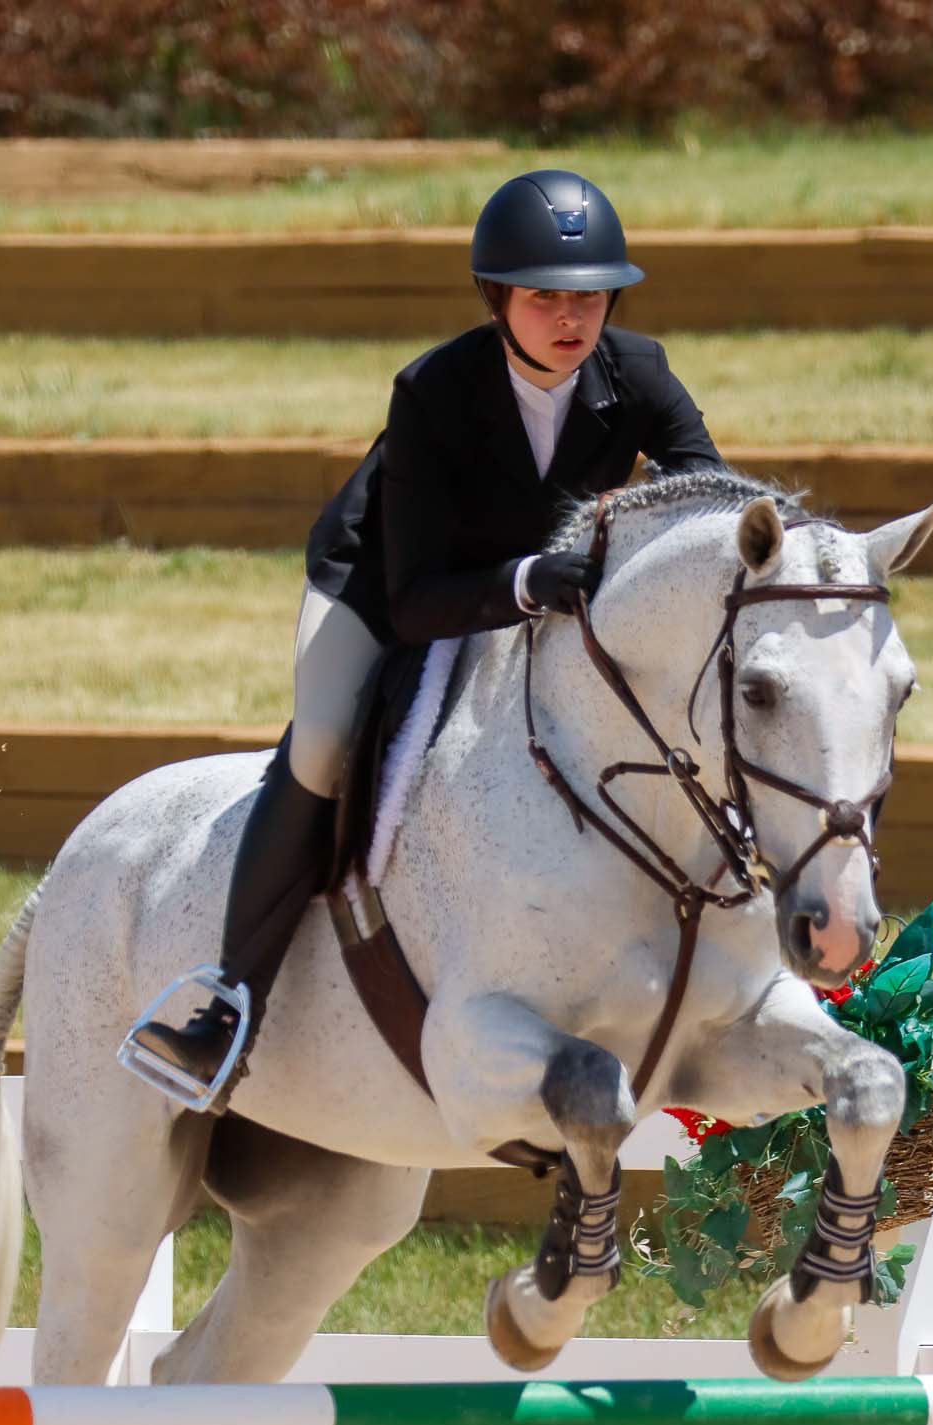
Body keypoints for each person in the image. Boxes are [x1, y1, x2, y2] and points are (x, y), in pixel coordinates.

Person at [124, 169, 722, 1112]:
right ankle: (227, 1006)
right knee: (323, 739)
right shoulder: (434, 391)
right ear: (496, 299)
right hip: (392, 584)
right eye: (544, 298)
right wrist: (530, 581)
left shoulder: (637, 372)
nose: (572, 318)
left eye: (590, 296)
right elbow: (412, 602)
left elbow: (710, 506)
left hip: (544, 595)